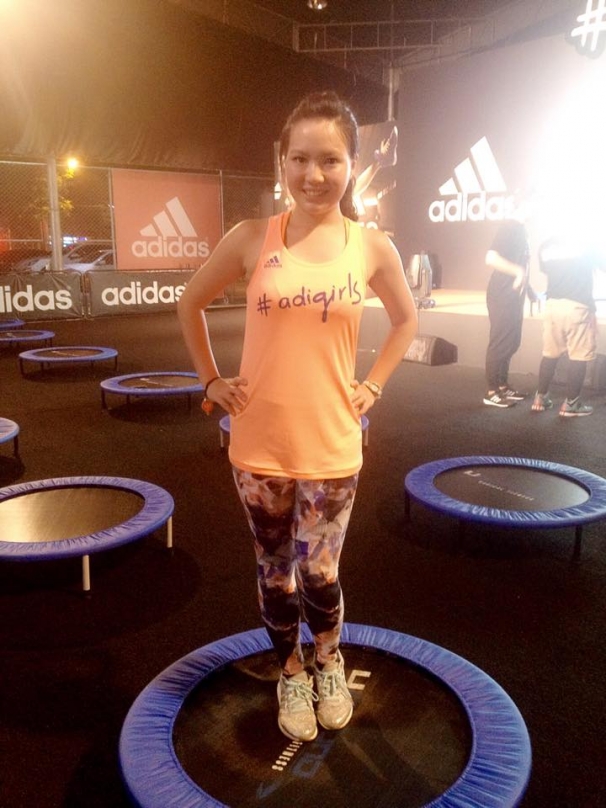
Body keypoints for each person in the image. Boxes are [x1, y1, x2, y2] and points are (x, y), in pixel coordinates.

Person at [177, 91, 418, 743]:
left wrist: (373, 384)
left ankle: (328, 661)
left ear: (352, 165)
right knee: (274, 568)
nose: (314, 174)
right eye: (301, 159)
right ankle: (290, 670)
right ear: (282, 161)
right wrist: (211, 380)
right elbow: (190, 303)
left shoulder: (372, 247)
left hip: (333, 442)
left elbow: (406, 321)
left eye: (330, 160)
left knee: (319, 571)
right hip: (259, 444)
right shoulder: (251, 239)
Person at [531, 234, 602, 417]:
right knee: (578, 356)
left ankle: (540, 398)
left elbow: (549, 272)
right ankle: (571, 404)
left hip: (552, 306)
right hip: (577, 307)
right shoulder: (587, 244)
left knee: (550, 354)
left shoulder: (546, 245)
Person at [483, 192, 536, 408]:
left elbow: (521, 264)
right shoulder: (509, 227)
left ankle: (503, 385)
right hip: (502, 294)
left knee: (511, 342)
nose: (537, 209)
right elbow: (491, 258)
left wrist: (530, 290)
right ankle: (491, 392)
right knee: (500, 342)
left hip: (514, 295)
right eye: (534, 204)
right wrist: (518, 272)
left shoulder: (521, 229)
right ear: (523, 205)